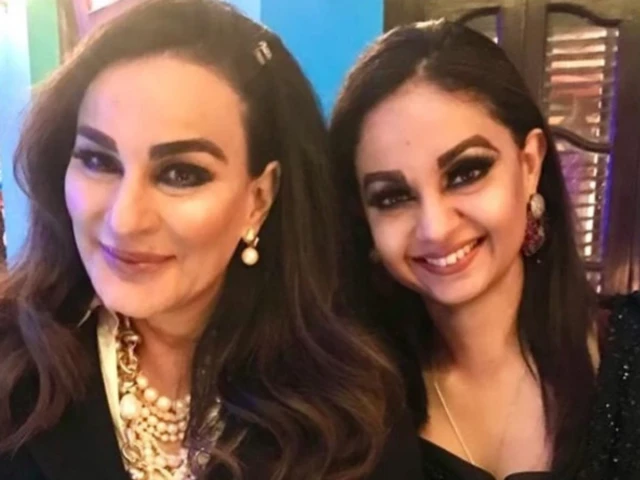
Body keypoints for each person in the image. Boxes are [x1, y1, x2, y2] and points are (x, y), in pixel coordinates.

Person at [0, 1, 423, 479]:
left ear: (259, 198)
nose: (125, 219)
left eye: (181, 174)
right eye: (99, 161)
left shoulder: (353, 417)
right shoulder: (12, 372)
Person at [329, 19, 640, 480]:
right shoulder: (346, 405)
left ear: (529, 164)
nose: (436, 228)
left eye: (466, 173)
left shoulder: (628, 354)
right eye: (393, 197)